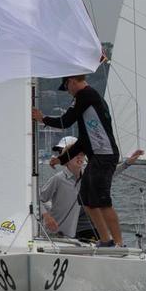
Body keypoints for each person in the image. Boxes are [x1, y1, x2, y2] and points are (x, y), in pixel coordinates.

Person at [33, 74, 123, 247]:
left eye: (66, 87)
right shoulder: (86, 103)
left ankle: (118, 242)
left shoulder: (85, 96)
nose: (68, 92)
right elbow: (82, 141)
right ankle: (106, 240)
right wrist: (60, 160)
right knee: (86, 199)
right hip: (97, 155)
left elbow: (65, 121)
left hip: (105, 155)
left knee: (102, 201)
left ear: (72, 81)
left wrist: (42, 118)